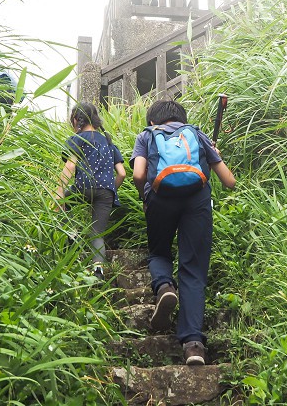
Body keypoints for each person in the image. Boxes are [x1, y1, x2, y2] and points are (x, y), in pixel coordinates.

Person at [130, 100, 236, 366]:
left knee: (159, 251)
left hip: (159, 197)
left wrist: (145, 196)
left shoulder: (146, 135)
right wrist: (212, 156)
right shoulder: (197, 134)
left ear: (152, 121)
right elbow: (229, 181)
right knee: (193, 267)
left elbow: (138, 173)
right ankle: (193, 344)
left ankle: (164, 286)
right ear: (181, 118)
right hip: (197, 201)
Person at [56, 102, 126, 280]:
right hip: (106, 191)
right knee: (97, 233)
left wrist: (58, 191)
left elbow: (70, 166)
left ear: (76, 120)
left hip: (82, 187)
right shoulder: (108, 141)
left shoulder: (77, 139)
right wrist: (109, 190)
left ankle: (71, 233)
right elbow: (122, 173)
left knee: (63, 200)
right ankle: (98, 271)